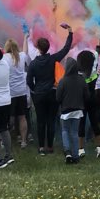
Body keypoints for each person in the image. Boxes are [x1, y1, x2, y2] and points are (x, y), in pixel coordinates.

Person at [26, 23, 73, 156]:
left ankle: (41, 147)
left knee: (41, 120)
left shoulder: (33, 64)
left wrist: (35, 91)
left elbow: (29, 81)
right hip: (52, 93)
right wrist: (70, 32)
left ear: (38, 48)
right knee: (51, 120)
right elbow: (66, 48)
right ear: (47, 48)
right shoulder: (53, 59)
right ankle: (50, 147)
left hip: (39, 95)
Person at [55, 56, 86, 164]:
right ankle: (76, 155)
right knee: (74, 132)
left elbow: (58, 97)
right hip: (78, 110)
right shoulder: (81, 80)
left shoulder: (63, 81)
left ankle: (67, 152)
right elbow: (87, 95)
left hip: (65, 111)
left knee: (65, 131)